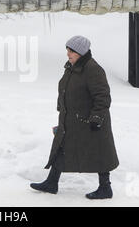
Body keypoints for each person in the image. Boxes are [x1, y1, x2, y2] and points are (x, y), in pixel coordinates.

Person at [30, 35, 119, 199]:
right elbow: (65, 88)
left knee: (99, 152)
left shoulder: (93, 69)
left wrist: (97, 118)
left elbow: (102, 96)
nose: (68, 53)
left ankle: (105, 188)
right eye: (67, 50)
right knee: (61, 146)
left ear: (81, 52)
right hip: (71, 119)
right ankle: (51, 182)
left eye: (72, 51)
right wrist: (61, 107)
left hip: (89, 120)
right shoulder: (72, 67)